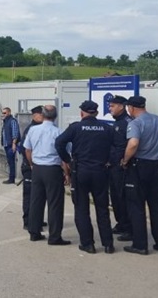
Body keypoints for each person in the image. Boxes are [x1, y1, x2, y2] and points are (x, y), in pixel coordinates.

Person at [121, 96, 158, 255]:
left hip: (139, 166)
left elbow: (133, 143)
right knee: (156, 207)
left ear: (131, 108)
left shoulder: (136, 123)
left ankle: (140, 245)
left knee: (137, 206)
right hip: (156, 166)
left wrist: (125, 160)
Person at [55, 100, 115, 254]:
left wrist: (68, 161)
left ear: (82, 113)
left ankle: (88, 244)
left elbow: (59, 143)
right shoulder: (107, 128)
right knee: (102, 208)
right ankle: (108, 244)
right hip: (101, 171)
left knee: (81, 208)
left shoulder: (76, 127)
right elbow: (118, 146)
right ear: (96, 112)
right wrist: (109, 160)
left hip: (81, 171)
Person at [23, 105, 71, 246]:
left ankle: (34, 232)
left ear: (42, 115)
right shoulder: (58, 132)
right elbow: (64, 155)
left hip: (37, 168)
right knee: (55, 203)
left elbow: (27, 150)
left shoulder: (33, 130)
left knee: (36, 201)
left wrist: (32, 164)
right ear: (55, 116)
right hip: (52, 169)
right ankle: (55, 236)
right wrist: (67, 173)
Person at [108, 95, 133, 240]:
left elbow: (128, 145)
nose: (110, 108)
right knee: (115, 196)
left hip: (122, 166)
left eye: (112, 106)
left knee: (123, 196)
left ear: (121, 107)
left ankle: (129, 227)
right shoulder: (118, 122)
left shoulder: (127, 123)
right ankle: (121, 223)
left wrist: (123, 162)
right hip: (113, 166)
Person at [20, 105, 46, 231]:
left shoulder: (41, 128)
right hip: (30, 167)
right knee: (29, 195)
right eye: (41, 114)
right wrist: (31, 164)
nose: (43, 116)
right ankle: (28, 221)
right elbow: (25, 149)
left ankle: (37, 219)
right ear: (34, 116)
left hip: (39, 167)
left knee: (39, 196)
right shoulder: (31, 129)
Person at [1, 107, 21, 184]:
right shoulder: (5, 121)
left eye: (4, 113)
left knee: (11, 161)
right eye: (2, 113)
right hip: (6, 144)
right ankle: (11, 177)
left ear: (9, 113)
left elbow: (15, 133)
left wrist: (14, 144)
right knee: (9, 161)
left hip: (10, 145)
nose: (3, 114)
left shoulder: (12, 121)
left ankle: (12, 178)